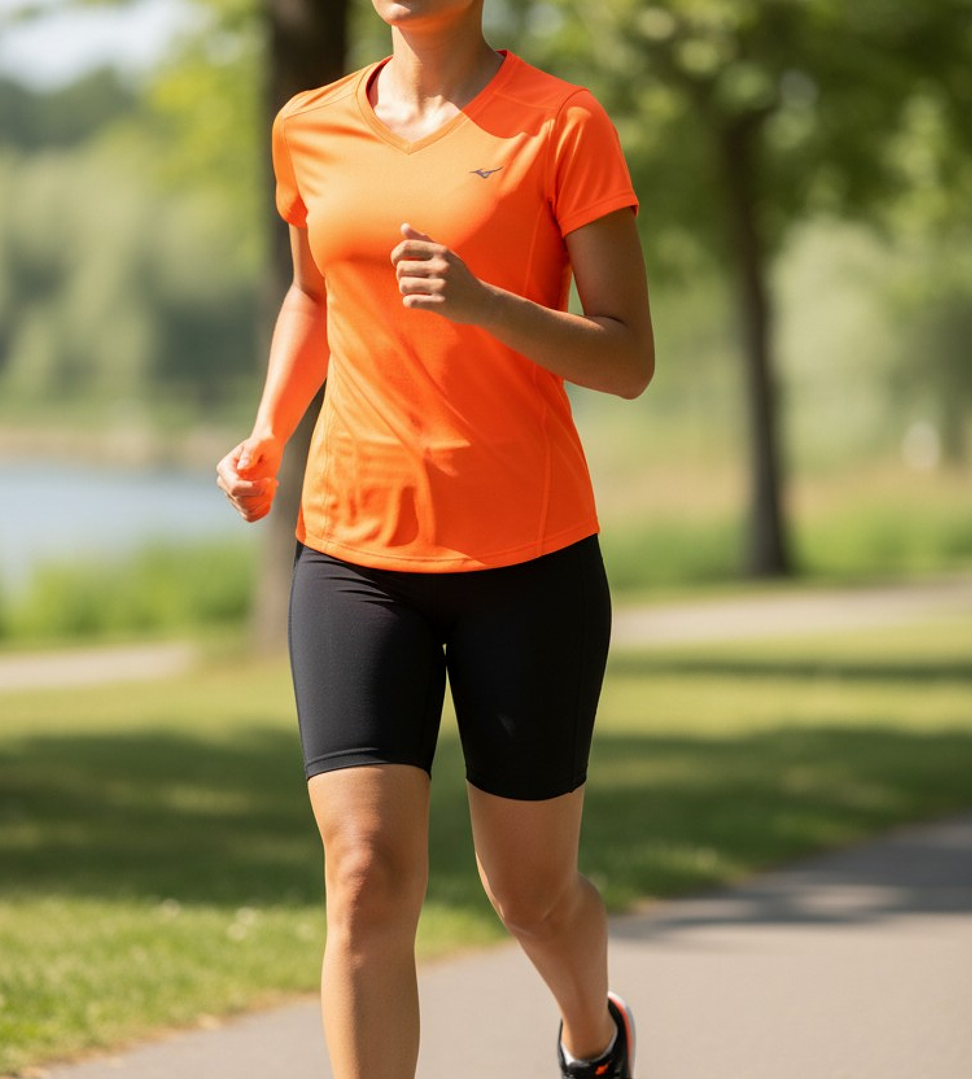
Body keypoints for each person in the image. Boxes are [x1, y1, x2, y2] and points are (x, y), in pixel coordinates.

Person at [217, 2, 654, 1076]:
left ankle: (592, 1036)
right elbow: (314, 296)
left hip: (528, 560)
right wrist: (270, 428)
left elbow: (627, 354)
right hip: (355, 552)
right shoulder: (308, 126)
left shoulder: (561, 124)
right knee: (363, 873)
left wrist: (486, 305)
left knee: (531, 896)